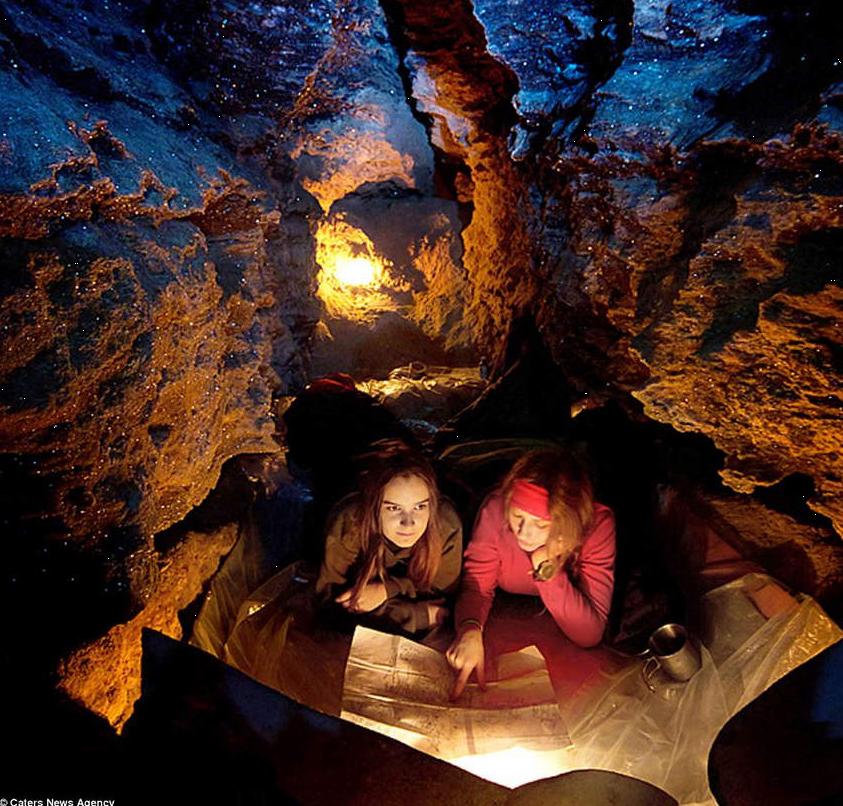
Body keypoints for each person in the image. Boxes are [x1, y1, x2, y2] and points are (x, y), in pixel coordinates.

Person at [446, 447, 615, 699]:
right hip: (506, 614)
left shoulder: (597, 527)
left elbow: (589, 633)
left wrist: (547, 571)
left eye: (541, 524)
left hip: (557, 627)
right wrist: (470, 628)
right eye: (517, 516)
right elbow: (476, 584)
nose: (524, 532)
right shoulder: (495, 510)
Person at [316, 440, 463, 637]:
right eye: (394, 508)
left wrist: (387, 589)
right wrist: (415, 615)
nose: (409, 523)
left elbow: (446, 602)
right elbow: (331, 606)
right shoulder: (351, 523)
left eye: (420, 507)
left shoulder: (445, 525)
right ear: (375, 506)